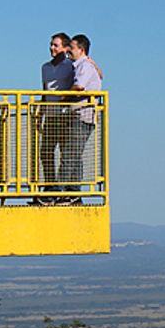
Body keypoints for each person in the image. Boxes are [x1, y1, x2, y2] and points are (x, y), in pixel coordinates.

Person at [62, 33, 103, 205]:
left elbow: (79, 87)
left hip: (82, 115)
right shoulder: (82, 65)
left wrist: (62, 97)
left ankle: (60, 192)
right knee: (75, 155)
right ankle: (74, 194)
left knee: (69, 154)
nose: (68, 51)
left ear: (81, 49)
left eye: (71, 47)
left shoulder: (84, 66)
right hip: (79, 115)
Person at [36, 32, 75, 204]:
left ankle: (67, 188)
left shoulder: (70, 65)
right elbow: (44, 91)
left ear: (65, 48)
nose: (52, 48)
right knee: (46, 152)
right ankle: (50, 185)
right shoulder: (45, 67)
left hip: (64, 115)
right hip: (50, 114)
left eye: (56, 45)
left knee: (67, 152)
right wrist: (40, 114)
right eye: (51, 44)